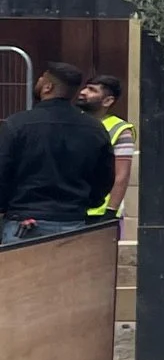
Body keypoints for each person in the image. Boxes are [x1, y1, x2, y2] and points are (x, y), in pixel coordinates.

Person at [0, 62, 115, 243]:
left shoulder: (17, 125)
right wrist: (88, 202)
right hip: (73, 221)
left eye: (40, 79)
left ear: (48, 86)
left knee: (23, 271)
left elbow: (3, 171)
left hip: (24, 221)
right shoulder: (95, 129)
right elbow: (104, 177)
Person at [75, 75, 136, 228]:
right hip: (69, 208)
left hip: (99, 213)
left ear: (108, 101)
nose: (83, 92)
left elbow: (121, 175)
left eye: (92, 90)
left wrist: (110, 211)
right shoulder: (71, 122)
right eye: (85, 87)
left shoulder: (120, 130)